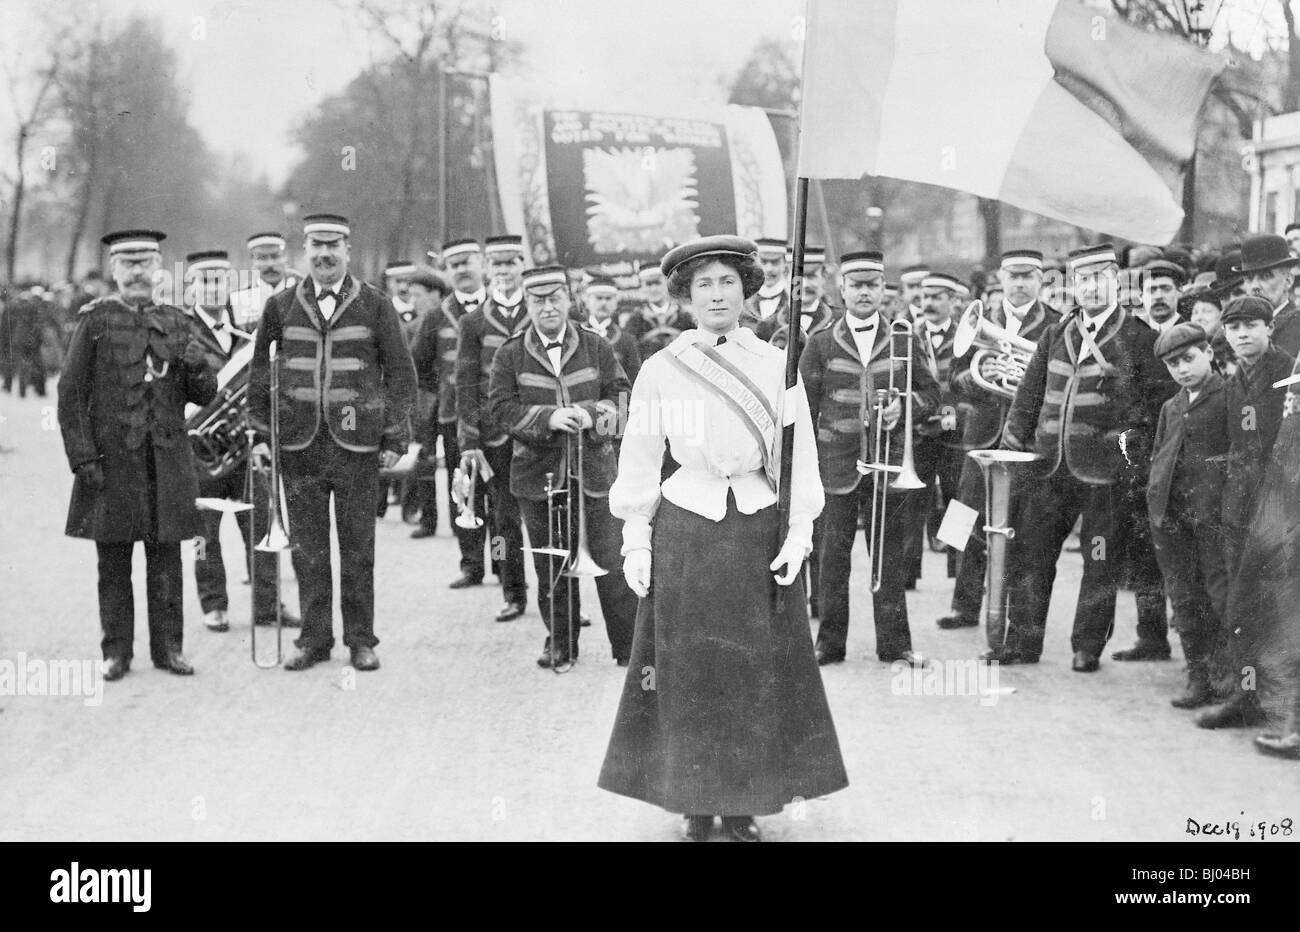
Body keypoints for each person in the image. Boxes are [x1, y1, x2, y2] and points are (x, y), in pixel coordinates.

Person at [599, 235, 848, 842]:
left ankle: (742, 806)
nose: (716, 294)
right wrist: (635, 536)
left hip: (757, 527)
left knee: (753, 672)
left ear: (746, 291)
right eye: (703, 284)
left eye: (728, 282)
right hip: (687, 527)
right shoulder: (662, 368)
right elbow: (641, 455)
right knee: (688, 672)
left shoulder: (775, 365)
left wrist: (798, 533)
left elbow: (799, 459)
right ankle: (695, 801)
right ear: (684, 296)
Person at [248, 213, 417, 672]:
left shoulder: (375, 305)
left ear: (347, 249)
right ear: (305, 251)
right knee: (308, 550)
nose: (324, 254)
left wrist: (395, 436)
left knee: (358, 549)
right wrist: (261, 435)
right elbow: (260, 375)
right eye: (316, 246)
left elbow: (401, 374)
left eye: (333, 246)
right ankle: (315, 639)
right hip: (298, 448)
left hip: (357, 449)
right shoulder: (280, 307)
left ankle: (361, 640)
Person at [999, 243, 1176, 671]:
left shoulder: (1139, 337)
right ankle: (1022, 644)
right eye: (1083, 280)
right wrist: (1013, 443)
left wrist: (1128, 462)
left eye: (1099, 278)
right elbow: (1029, 394)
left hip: (1105, 476)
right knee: (1032, 555)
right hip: (1048, 467)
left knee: (1099, 560)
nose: (1091, 288)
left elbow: (1157, 412)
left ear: (1116, 281)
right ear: (1073, 285)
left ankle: (1087, 647)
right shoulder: (1056, 333)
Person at [58, 229, 216, 681]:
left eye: (145, 262)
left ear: (159, 267)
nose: (137, 272)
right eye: (127, 264)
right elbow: (70, 395)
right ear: (114, 270)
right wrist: (83, 456)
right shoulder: (95, 320)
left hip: (165, 463)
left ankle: (169, 650)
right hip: (110, 465)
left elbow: (204, 395)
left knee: (166, 558)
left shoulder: (180, 322)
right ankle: (117, 652)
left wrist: (196, 363)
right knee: (113, 561)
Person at [487, 266, 637, 667]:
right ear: (527, 305)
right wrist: (546, 418)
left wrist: (590, 415)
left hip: (595, 473)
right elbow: (499, 410)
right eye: (538, 301)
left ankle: (629, 648)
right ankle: (561, 643)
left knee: (613, 562)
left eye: (555, 298)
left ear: (570, 301)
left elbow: (623, 400)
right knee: (551, 563)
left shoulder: (597, 346)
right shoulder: (510, 353)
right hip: (539, 476)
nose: (547, 308)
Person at [801, 250, 940, 666]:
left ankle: (895, 645)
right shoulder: (821, 342)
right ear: (841, 289)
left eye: (872, 285)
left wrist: (905, 407)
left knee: (889, 560)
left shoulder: (904, 338)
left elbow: (932, 395)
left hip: (889, 466)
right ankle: (829, 643)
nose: (864, 292)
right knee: (831, 559)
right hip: (836, 466)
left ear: (884, 290)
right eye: (856, 285)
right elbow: (805, 405)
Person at [938, 249, 1059, 631]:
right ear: (1001, 279)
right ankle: (963, 605)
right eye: (1013, 276)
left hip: (1028, 440)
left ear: (1042, 281)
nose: (1020, 283)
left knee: (1022, 527)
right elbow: (954, 381)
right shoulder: (979, 322)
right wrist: (979, 375)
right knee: (963, 516)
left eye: (1028, 276)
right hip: (981, 435)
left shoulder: (1054, 324)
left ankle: (1010, 612)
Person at [184, 249, 300, 633]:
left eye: (221, 281)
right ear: (192, 287)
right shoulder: (179, 331)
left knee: (261, 528)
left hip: (247, 448)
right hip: (200, 451)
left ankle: (268, 605)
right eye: (205, 281)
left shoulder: (249, 333)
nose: (214, 289)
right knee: (204, 534)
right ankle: (213, 604)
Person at [1197, 295, 1294, 729]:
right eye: (1234, 328)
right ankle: (1246, 697)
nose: (1242, 335)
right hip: (1240, 509)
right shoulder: (1235, 378)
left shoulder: (1288, 373)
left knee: (1282, 610)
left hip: (1280, 509)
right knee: (1241, 608)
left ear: (1269, 328)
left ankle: (1286, 708)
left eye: (1251, 326)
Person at [1146, 323, 1229, 710]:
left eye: (1188, 359)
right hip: (1171, 518)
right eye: (1172, 364)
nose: (1181, 369)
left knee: (1218, 596)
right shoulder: (1170, 406)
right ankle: (1198, 675)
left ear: (1209, 354)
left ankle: (1225, 676)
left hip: (1211, 519)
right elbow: (1161, 456)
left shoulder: (1227, 397)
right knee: (1183, 598)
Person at [455, 234, 531, 619]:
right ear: (488, 268)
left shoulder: (543, 311)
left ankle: (564, 593)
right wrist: (469, 437)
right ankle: (513, 594)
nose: (503, 271)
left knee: (555, 513)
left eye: (510, 263)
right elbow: (465, 382)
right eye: (496, 264)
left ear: (522, 265)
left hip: (541, 432)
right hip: (495, 434)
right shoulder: (472, 322)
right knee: (504, 519)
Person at [412, 238, 489, 583]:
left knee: (502, 500)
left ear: (482, 264)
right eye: (454, 264)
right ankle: (471, 565)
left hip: (500, 416)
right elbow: (418, 365)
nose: (462, 270)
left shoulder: (499, 310)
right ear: (447, 271)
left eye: (467, 261)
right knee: (465, 492)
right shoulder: (435, 316)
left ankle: (504, 565)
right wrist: (446, 388)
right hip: (454, 418)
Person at [906, 272, 967, 586]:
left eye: (937, 297)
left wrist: (953, 415)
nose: (928, 303)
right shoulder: (908, 334)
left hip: (956, 433)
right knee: (915, 499)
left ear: (953, 301)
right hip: (919, 430)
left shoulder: (967, 334)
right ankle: (908, 574)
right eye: (925, 296)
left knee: (958, 501)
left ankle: (959, 571)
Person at [404, 269, 451, 539]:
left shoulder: (454, 320)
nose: (414, 301)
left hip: (453, 399)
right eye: (411, 296)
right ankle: (427, 517)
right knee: (424, 458)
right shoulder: (412, 327)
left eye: (418, 296)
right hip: (427, 399)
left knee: (458, 458)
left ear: (435, 294)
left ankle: (461, 521)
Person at [756, 245, 833, 346]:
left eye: (811, 276)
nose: (804, 285)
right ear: (785, 275)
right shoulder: (767, 326)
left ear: (823, 277)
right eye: (798, 277)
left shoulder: (838, 321)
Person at [1238, 234, 1300, 358]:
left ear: (1288, 281)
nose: (1255, 286)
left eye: (1265, 276)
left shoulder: (1297, 326)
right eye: (1248, 278)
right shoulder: (1236, 327)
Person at [230, 232, 299, 331]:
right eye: (262, 258)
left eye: (275, 256)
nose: (270, 264)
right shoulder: (240, 299)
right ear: (252, 261)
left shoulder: (300, 293)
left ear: (285, 258)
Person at [582, 272, 641, 386]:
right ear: (587, 301)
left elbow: (631, 381)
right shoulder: (575, 335)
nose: (604, 303)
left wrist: (622, 403)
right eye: (598, 298)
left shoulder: (626, 339)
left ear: (615, 303)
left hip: (616, 401)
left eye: (608, 298)